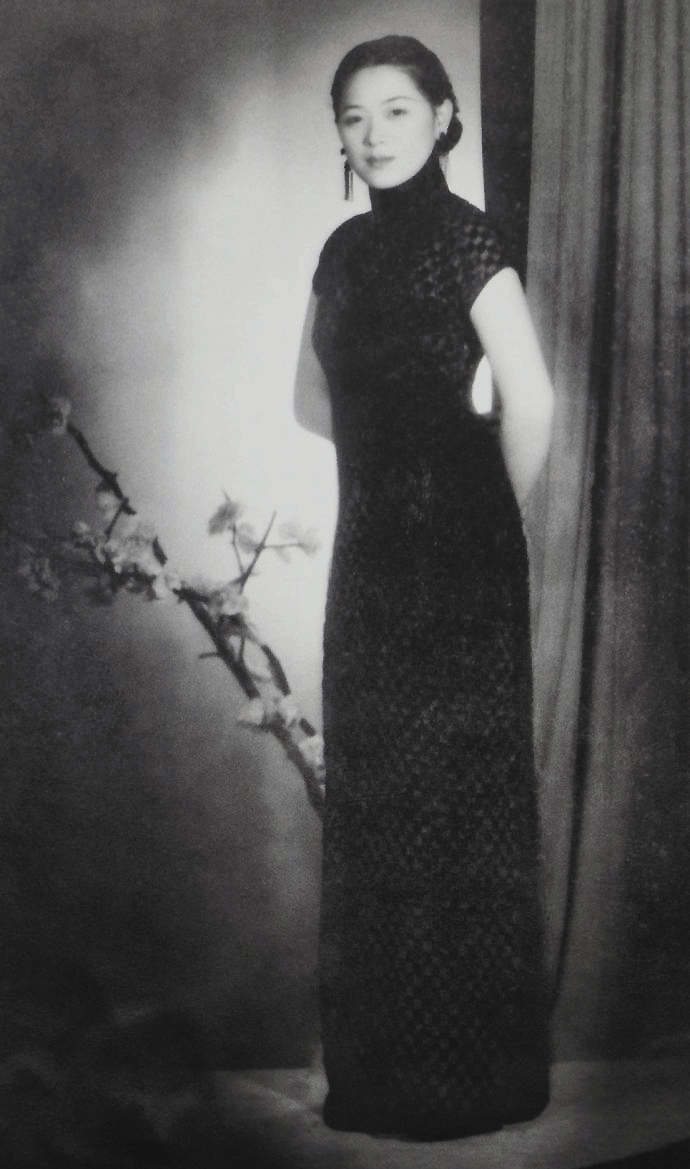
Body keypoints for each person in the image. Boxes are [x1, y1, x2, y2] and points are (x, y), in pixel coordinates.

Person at [294, 34, 554, 1140]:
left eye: (396, 110)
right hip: (370, 559)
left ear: (445, 118)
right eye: (354, 116)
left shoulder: (468, 238)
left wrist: (486, 516)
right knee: (380, 805)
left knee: (461, 807)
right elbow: (308, 399)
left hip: (462, 563)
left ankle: (473, 1077)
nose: (373, 134)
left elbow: (531, 398)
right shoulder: (343, 251)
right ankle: (387, 1075)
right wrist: (385, 454)